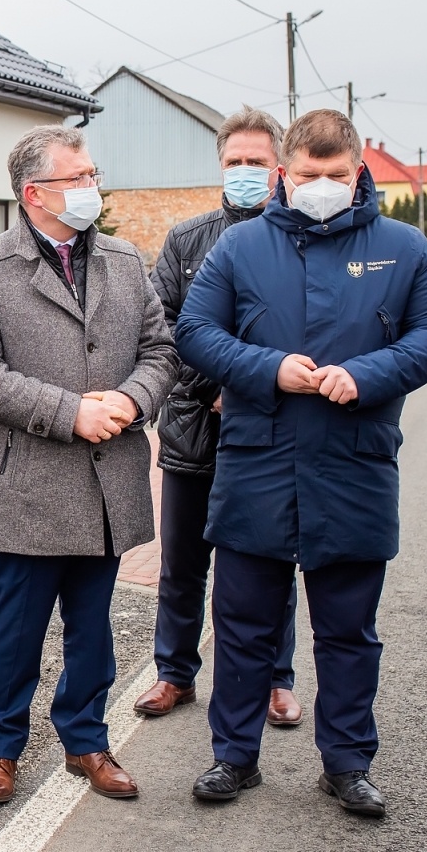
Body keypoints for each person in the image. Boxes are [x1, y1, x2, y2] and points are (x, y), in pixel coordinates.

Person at [176, 108, 427, 817]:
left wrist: (367, 373)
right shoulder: (240, 249)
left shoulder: (405, 249)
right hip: (257, 464)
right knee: (242, 624)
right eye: (309, 175)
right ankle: (233, 757)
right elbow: (195, 331)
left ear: (359, 172)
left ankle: (347, 762)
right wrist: (271, 368)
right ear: (285, 173)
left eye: (336, 176)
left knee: (347, 631)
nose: (322, 187)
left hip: (354, 464)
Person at [0, 125, 176, 805]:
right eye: (77, 178)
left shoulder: (126, 261)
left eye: (91, 174)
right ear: (34, 193)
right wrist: (69, 410)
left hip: (107, 480)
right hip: (28, 485)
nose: (90, 188)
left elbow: (161, 351)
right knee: (14, 630)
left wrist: (131, 401)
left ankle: (86, 739)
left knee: (93, 625)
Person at [137, 106, 303, 727]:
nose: (244, 172)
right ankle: (174, 673)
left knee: (269, 561)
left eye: (255, 163)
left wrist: (257, 387)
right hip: (194, 426)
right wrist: (216, 388)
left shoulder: (297, 239)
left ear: (279, 168)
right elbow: (163, 328)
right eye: (234, 163)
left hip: (271, 429)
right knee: (182, 563)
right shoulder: (186, 240)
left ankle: (275, 679)